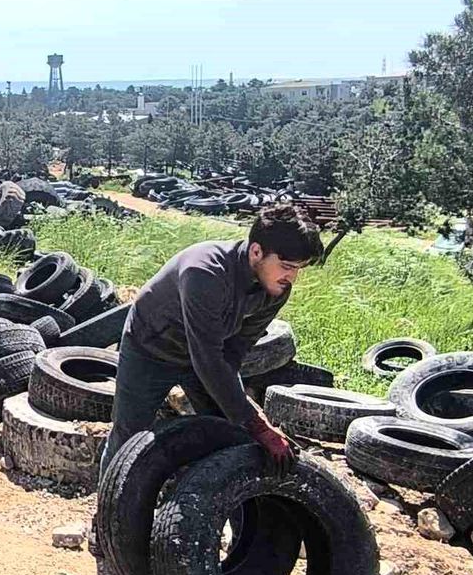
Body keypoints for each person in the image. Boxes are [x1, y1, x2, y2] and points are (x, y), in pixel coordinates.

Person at [99, 203, 323, 477]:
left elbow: (233, 353)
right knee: (129, 435)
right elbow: (207, 358)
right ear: (256, 251)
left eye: (299, 268)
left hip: (205, 356)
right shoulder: (204, 272)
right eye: (287, 266)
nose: (292, 277)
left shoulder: (275, 288)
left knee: (231, 432)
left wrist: (246, 419)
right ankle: (108, 513)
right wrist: (258, 425)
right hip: (150, 349)